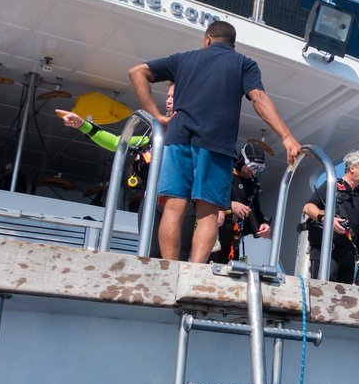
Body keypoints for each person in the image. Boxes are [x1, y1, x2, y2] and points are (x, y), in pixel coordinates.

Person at [128, 20, 301, 263]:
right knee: (208, 213)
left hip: (178, 138)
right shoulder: (244, 63)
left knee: (173, 206)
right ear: (233, 44)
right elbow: (258, 98)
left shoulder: (184, 59)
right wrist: (286, 136)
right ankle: (193, 271)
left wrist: (156, 116)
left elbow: (137, 72)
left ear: (207, 39)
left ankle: (168, 268)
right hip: (215, 143)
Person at [57, 86, 191, 259]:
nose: (168, 100)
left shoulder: (195, 133)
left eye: (174, 95)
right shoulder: (154, 133)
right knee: (150, 256)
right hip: (152, 201)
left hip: (184, 203)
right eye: (168, 96)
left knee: (179, 256)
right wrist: (83, 125)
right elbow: (116, 143)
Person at [302, 150, 359, 283]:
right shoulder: (332, 184)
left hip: (349, 253)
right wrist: (327, 219)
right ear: (352, 168)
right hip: (327, 250)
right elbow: (308, 207)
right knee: (322, 292)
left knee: (344, 296)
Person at [210, 142, 272, 264]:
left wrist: (264, 224)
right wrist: (230, 205)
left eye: (259, 168)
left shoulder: (253, 183)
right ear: (242, 160)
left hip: (233, 238)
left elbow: (256, 209)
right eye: (253, 167)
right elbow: (206, 197)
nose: (254, 172)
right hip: (214, 234)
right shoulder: (224, 174)